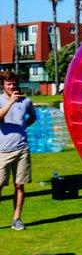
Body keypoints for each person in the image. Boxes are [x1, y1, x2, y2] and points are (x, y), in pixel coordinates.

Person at [0, 71, 36, 231]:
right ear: (3, 85)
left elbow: (32, 117)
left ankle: (17, 219)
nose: (12, 87)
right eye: (9, 84)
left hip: (22, 148)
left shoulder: (26, 101)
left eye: (14, 84)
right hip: (3, 150)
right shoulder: (1, 100)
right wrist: (10, 103)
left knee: (20, 185)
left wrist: (22, 127)